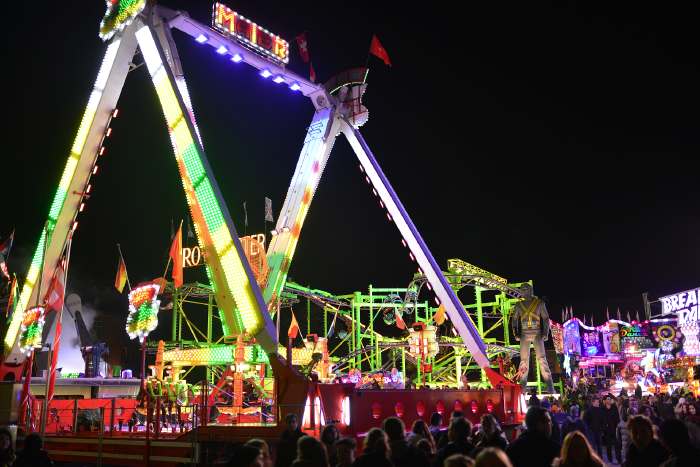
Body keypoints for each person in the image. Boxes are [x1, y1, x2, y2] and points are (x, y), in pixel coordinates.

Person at [511, 283, 555, 392]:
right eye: (523, 289)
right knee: (523, 361)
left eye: (527, 289)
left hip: (537, 334)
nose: (525, 291)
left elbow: (545, 318)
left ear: (531, 290)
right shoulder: (518, 305)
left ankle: (550, 386)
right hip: (524, 334)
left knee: (542, 360)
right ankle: (522, 388)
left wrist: (545, 333)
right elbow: (514, 320)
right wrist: (516, 333)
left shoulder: (539, 303)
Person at [602, 395, 620, 464]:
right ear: (605, 401)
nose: (609, 400)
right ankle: (610, 459)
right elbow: (602, 419)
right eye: (608, 399)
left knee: (616, 445)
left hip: (614, 428)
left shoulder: (614, 407)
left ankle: (618, 458)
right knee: (608, 445)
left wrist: (617, 424)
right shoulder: (602, 409)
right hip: (607, 430)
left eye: (610, 399)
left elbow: (617, 417)